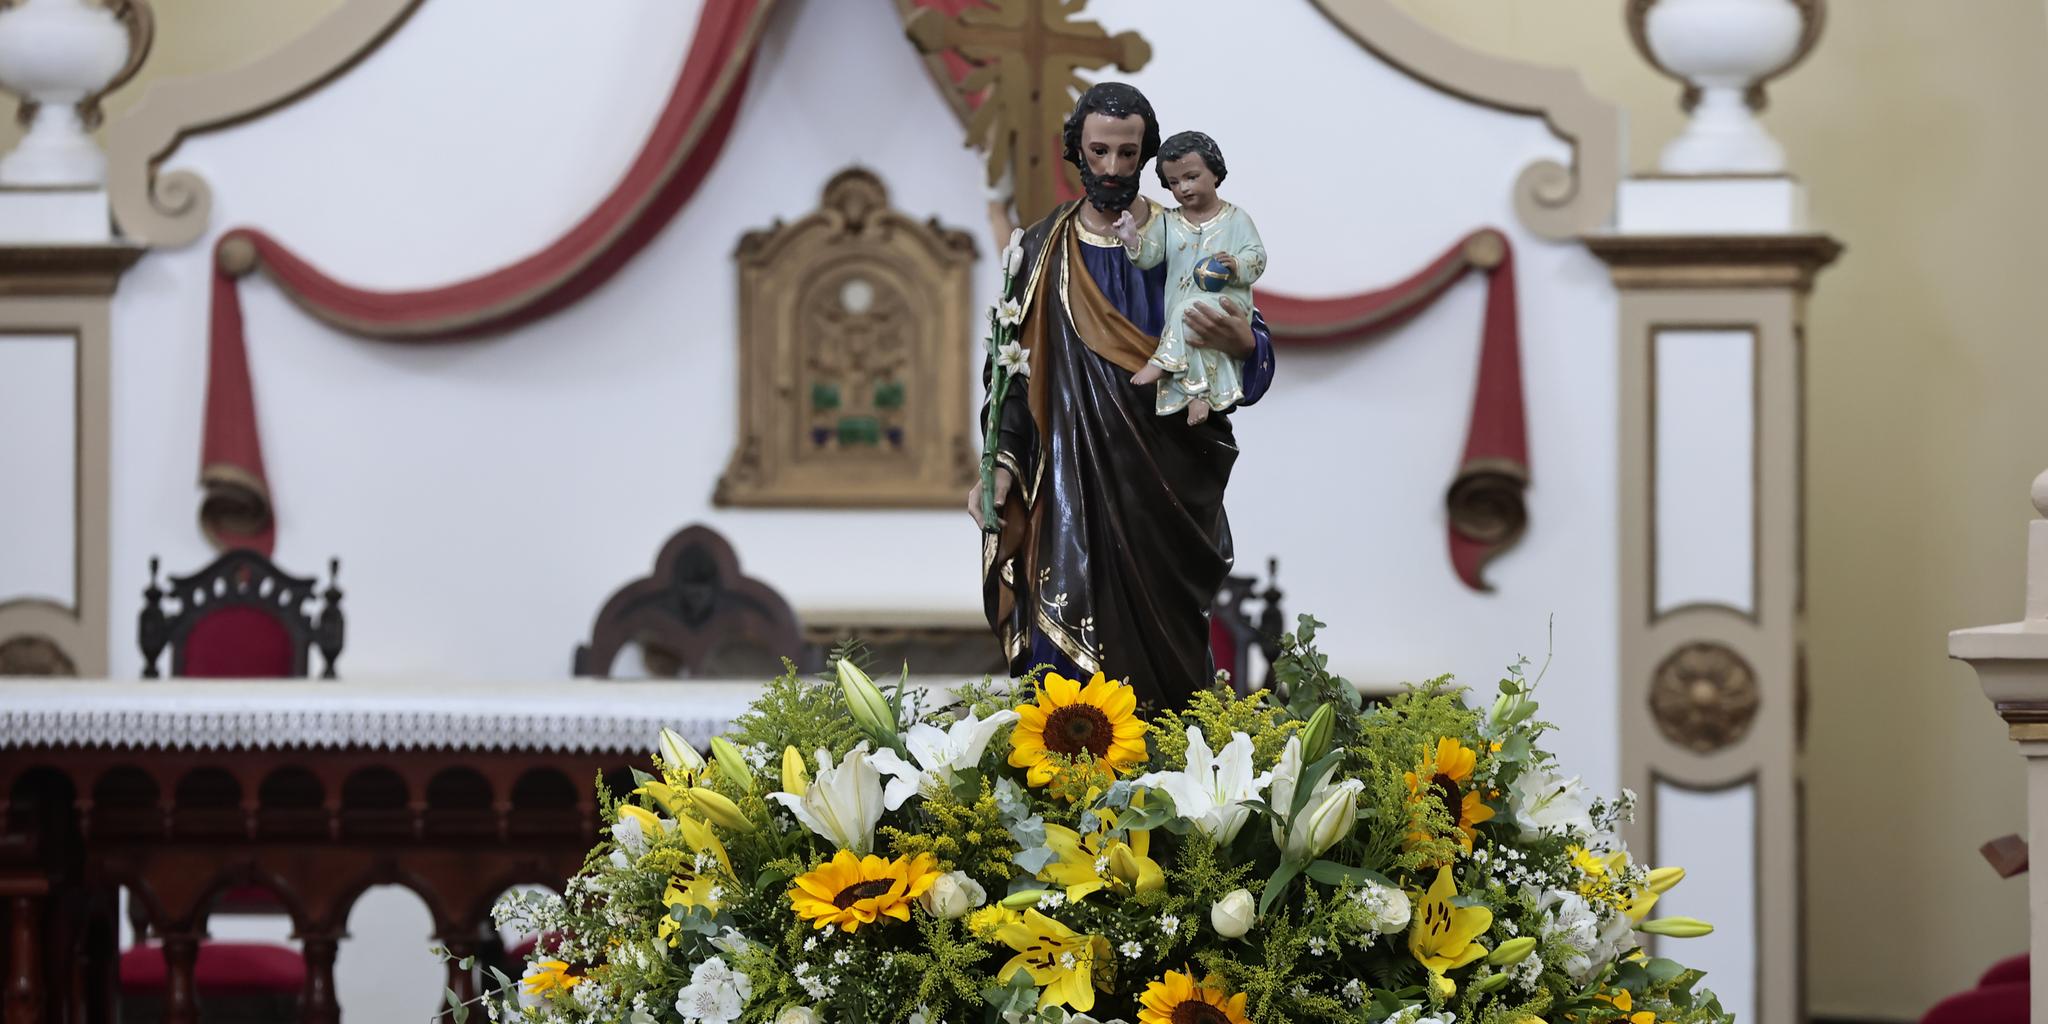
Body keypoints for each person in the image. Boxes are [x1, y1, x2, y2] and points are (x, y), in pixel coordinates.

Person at [967, 82, 1277, 711]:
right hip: (1066, 489)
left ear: (1147, 156)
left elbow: (1248, 341)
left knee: (1169, 674)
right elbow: (1010, 378)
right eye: (1099, 151)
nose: (1111, 168)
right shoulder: (1039, 250)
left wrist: (1244, 346)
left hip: (1162, 485)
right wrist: (999, 463)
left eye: (1127, 153)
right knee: (1064, 680)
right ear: (1076, 151)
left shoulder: (1187, 237)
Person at [1116, 130, 1266, 426]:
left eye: (1191, 177)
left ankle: (1161, 363)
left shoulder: (1236, 219)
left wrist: (1236, 265)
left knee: (1190, 311)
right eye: (1174, 183)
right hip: (1182, 309)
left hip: (1228, 301)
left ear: (1215, 174)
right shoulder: (1169, 222)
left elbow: (1257, 257)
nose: (1183, 188)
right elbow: (1150, 256)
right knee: (1193, 334)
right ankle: (1200, 397)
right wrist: (1132, 240)